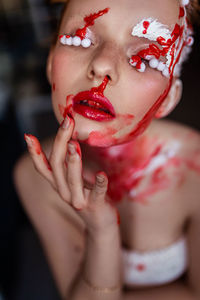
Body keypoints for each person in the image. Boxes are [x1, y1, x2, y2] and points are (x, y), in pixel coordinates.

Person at [14, 0, 200, 299]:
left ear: (168, 98)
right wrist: (101, 228)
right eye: (80, 39)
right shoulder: (34, 174)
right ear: (50, 64)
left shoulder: (195, 168)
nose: (101, 65)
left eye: (146, 59)